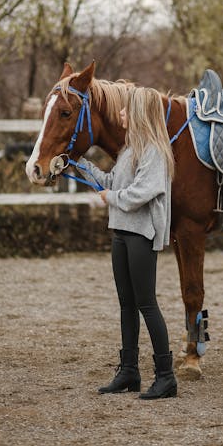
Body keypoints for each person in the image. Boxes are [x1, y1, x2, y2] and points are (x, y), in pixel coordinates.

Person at [77, 86, 177, 400]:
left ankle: (166, 377)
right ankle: (129, 371)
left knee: (147, 303)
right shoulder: (129, 150)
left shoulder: (154, 152)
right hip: (121, 231)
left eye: (125, 108)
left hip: (140, 233)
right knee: (126, 304)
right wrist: (78, 164)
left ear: (138, 113)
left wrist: (110, 198)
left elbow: (139, 194)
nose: (120, 112)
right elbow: (112, 183)